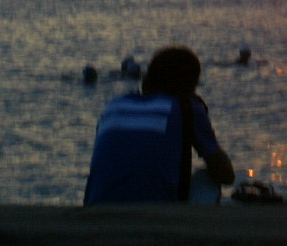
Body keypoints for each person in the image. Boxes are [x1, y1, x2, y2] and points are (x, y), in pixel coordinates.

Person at [83, 46, 236, 205]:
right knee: (206, 180)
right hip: (155, 215)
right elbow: (225, 174)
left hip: (97, 210)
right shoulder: (186, 108)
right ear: (190, 85)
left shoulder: (114, 107)